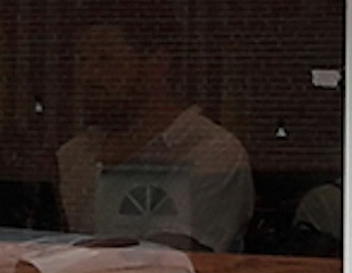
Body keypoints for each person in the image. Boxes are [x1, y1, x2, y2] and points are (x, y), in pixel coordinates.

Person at [56, 18, 254, 253]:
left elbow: (170, 265)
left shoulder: (211, 152)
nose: (87, 76)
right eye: (82, 60)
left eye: (105, 59)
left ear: (157, 65)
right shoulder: (75, 155)